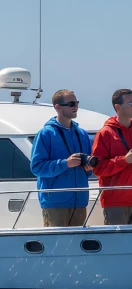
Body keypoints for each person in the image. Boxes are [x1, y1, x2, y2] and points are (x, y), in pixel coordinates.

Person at [92, 88, 132, 225]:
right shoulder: (105, 133)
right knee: (117, 239)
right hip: (116, 202)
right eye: (130, 103)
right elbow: (98, 168)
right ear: (118, 107)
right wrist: (124, 160)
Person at [29, 89, 94, 227]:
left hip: (79, 201)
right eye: (71, 104)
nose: (76, 107)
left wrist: (88, 168)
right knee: (56, 241)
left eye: (76, 103)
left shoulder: (82, 134)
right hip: (55, 203)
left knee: (78, 241)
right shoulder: (45, 134)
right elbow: (37, 167)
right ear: (58, 107)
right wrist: (65, 163)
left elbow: (87, 170)